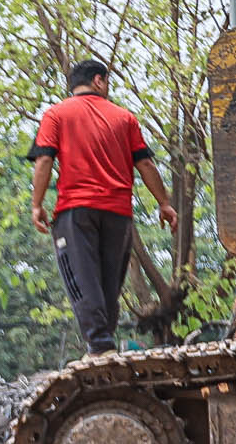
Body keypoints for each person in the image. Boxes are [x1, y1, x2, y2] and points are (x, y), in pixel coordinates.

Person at [29, 60, 177, 355]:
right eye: (107, 81)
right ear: (98, 80)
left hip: (76, 211)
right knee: (110, 281)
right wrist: (164, 203)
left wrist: (36, 204)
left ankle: (99, 344)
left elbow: (44, 159)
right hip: (118, 215)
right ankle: (104, 343)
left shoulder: (56, 114)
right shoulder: (125, 118)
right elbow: (146, 164)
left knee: (81, 276)